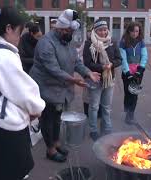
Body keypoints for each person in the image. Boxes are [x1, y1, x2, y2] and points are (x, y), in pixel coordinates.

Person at [0, 6, 46, 180]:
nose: (19, 37)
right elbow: (24, 92)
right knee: (14, 173)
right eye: (19, 31)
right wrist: (37, 108)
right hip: (6, 126)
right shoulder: (3, 56)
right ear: (8, 28)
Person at [30, 9, 100, 162]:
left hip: (60, 88)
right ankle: (50, 150)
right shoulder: (45, 43)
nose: (71, 34)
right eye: (68, 31)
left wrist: (88, 73)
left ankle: (56, 143)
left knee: (56, 118)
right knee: (47, 119)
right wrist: (74, 81)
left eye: (72, 31)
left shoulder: (68, 42)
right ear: (60, 28)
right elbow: (54, 70)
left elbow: (77, 62)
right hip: (45, 87)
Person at [83, 19, 122, 141]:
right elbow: (87, 63)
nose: (103, 32)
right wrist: (101, 67)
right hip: (95, 79)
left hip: (109, 79)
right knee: (94, 106)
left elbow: (119, 59)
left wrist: (111, 65)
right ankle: (93, 130)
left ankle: (107, 128)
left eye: (105, 29)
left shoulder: (112, 42)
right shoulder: (89, 43)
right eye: (100, 30)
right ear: (95, 30)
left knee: (106, 106)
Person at [119, 21, 149, 124]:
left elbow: (144, 56)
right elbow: (122, 58)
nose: (134, 33)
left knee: (135, 94)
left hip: (138, 73)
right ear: (129, 31)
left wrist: (140, 70)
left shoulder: (141, 42)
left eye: (137, 31)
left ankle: (130, 115)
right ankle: (127, 111)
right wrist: (127, 73)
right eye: (132, 31)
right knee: (128, 93)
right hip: (127, 73)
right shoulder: (123, 42)